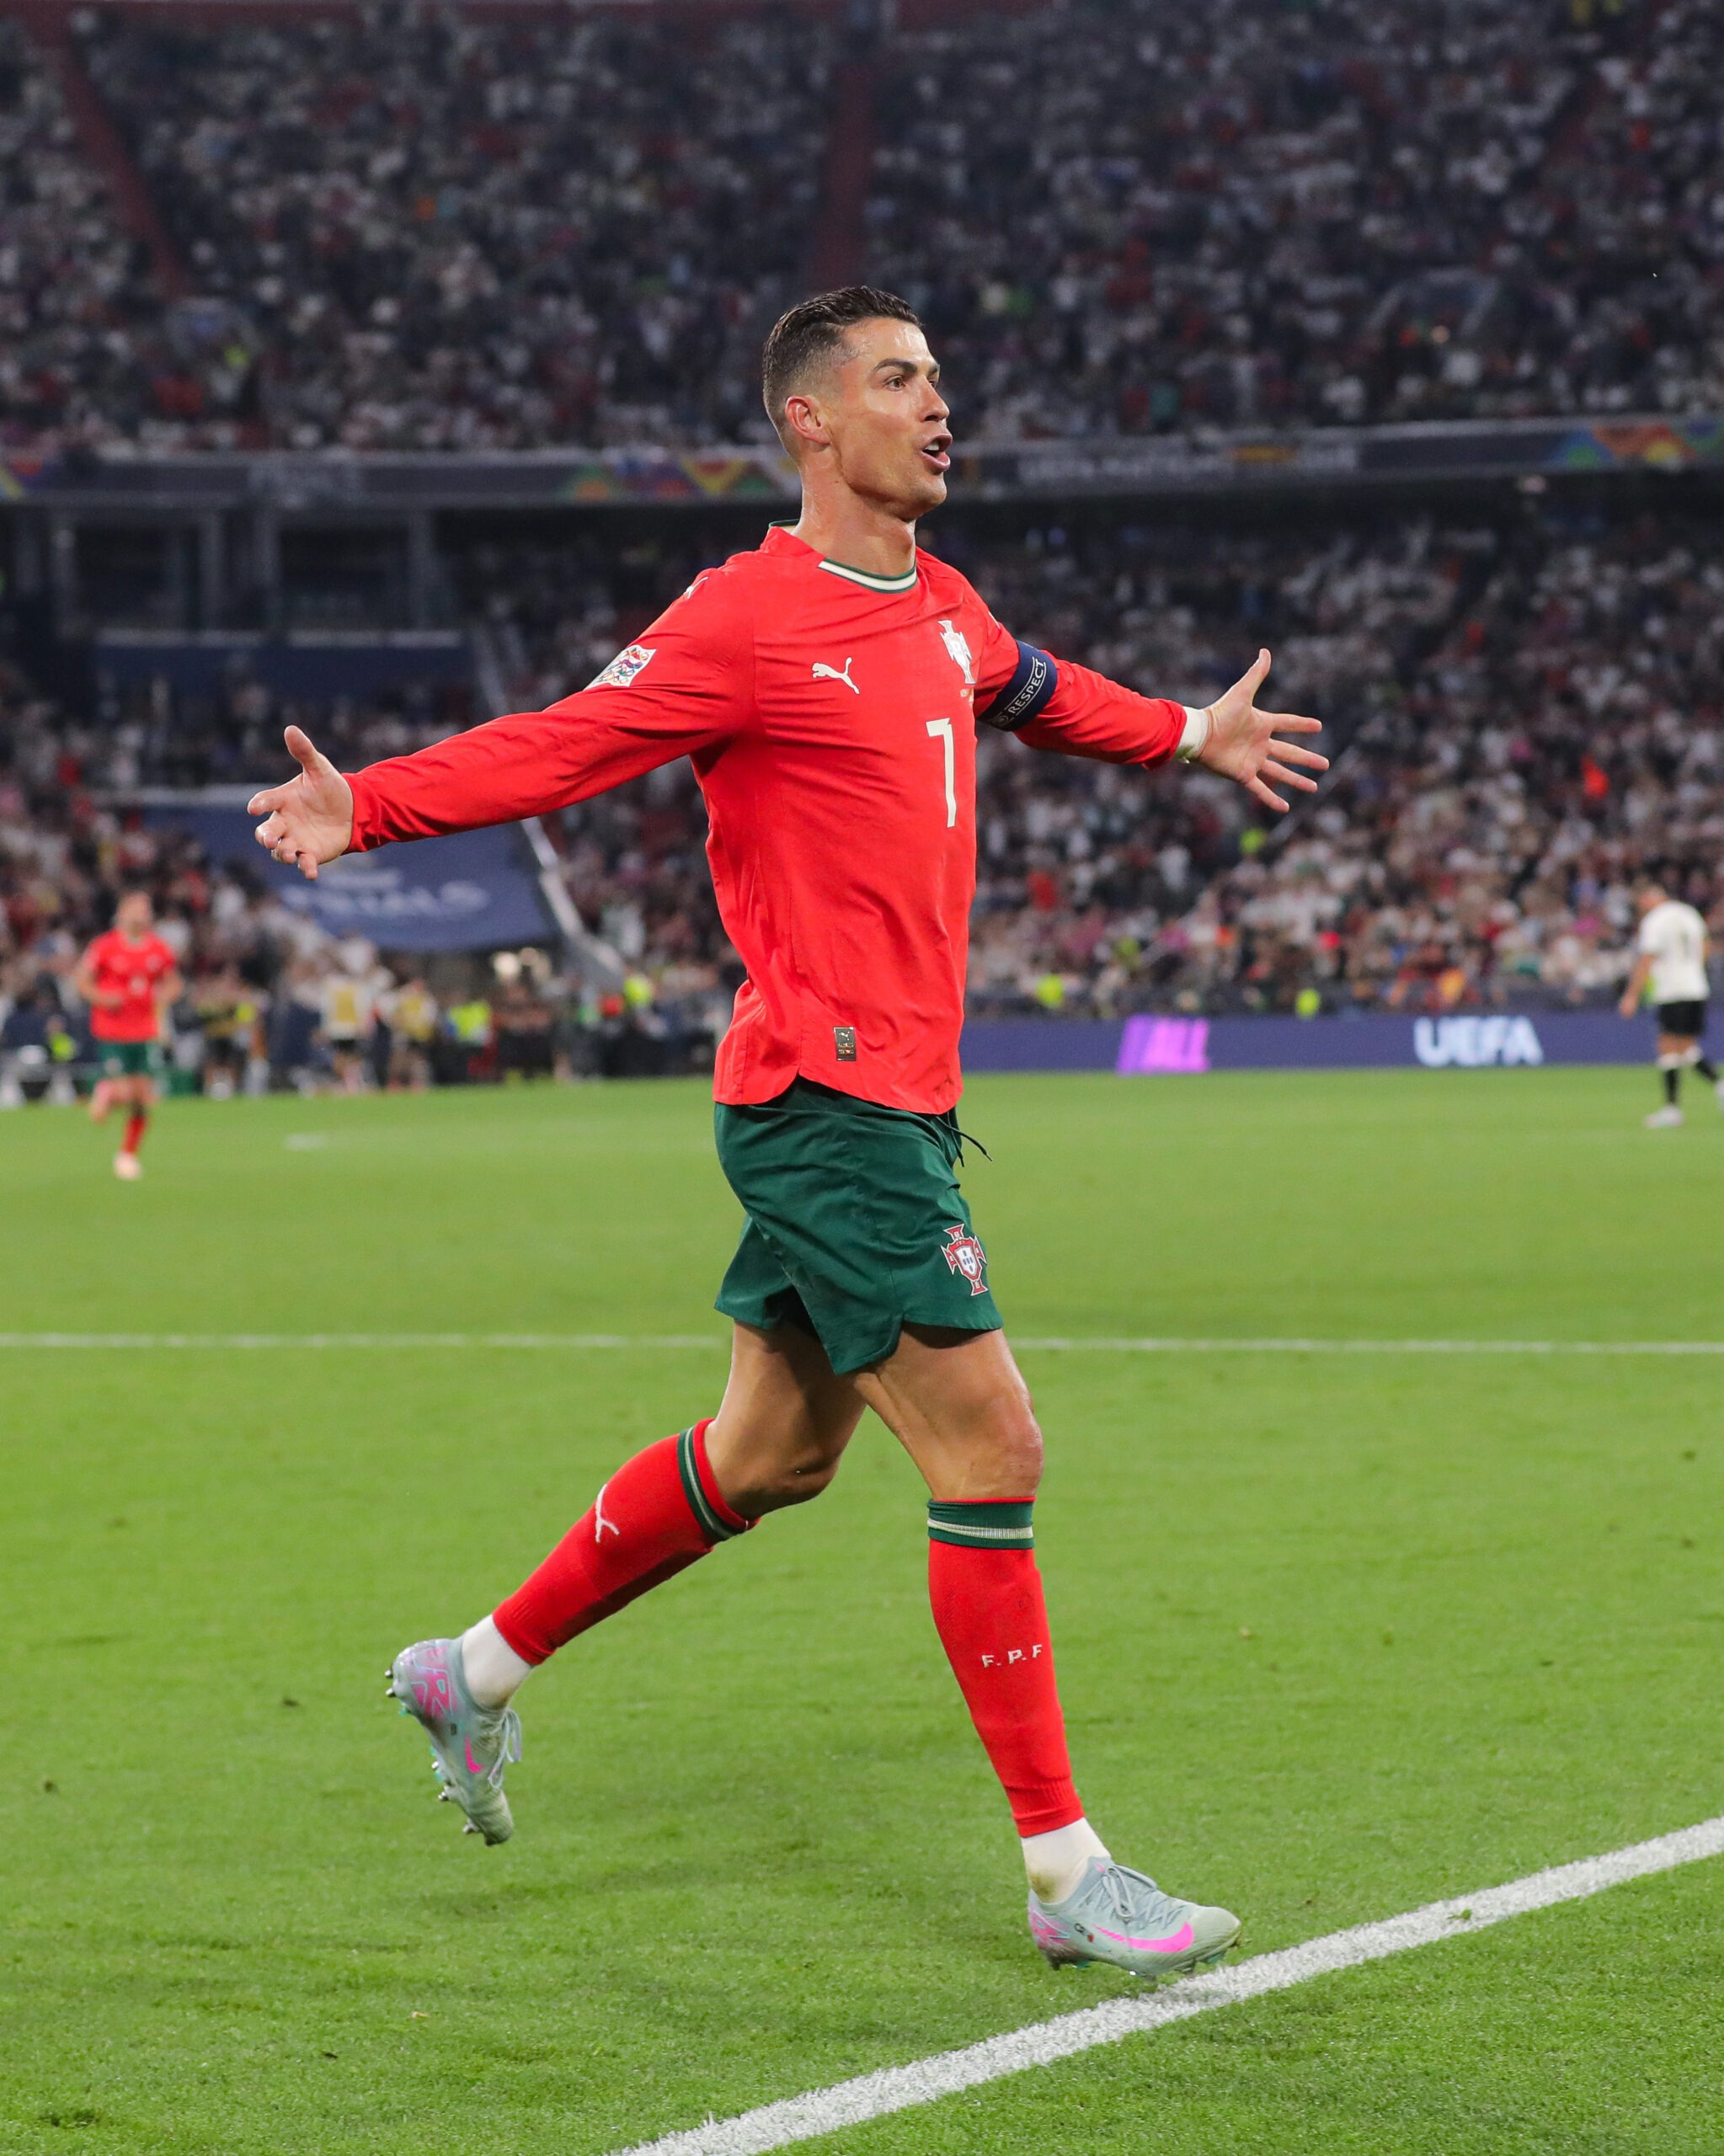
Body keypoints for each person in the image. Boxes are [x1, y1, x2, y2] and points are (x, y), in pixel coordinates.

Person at [248, 287, 1326, 1983]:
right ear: (812, 419)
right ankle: (1065, 1870)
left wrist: (1192, 730)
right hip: (828, 1105)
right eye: (901, 380)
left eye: (941, 381)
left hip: (885, 1098)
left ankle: (471, 1671)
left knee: (772, 1455)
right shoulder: (749, 615)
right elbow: (567, 743)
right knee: (993, 1450)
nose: (938, 405)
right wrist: (368, 799)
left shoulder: (943, 605)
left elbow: (1036, 687)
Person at [75, 888, 183, 1179]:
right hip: (112, 1030)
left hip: (145, 1030)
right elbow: (82, 981)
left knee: (142, 1097)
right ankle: (108, 1091)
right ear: (122, 913)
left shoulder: (158, 949)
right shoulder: (104, 947)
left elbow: (173, 983)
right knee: (127, 1090)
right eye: (136, 908)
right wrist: (101, 997)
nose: (142, 914)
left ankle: (127, 1154)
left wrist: (163, 997)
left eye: (146, 909)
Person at [1618, 880, 1719, 1129]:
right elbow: (1706, 946)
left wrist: (1631, 995)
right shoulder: (1688, 913)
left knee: (1667, 1046)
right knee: (1685, 1048)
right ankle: (1717, 1087)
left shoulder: (1655, 921)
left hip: (1672, 990)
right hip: (1695, 986)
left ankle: (1672, 1109)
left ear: (1650, 898)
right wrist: (1693, 969)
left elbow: (1647, 959)